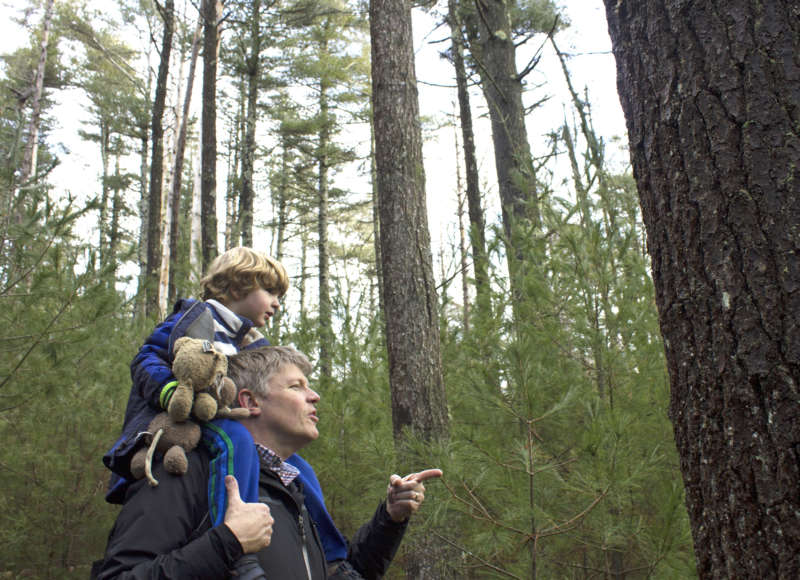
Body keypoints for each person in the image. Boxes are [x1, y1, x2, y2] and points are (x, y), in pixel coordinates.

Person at [96, 346, 442, 579]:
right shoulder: (187, 471)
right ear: (249, 400)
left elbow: (344, 573)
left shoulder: (295, 488)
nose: (314, 395)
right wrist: (227, 542)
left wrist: (390, 518)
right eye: (297, 386)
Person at [101, 246, 351, 566]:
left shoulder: (249, 341)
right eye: (271, 292)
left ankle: (332, 552)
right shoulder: (195, 318)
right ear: (236, 287)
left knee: (300, 468)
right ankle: (235, 533)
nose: (277, 303)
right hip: (181, 419)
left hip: (213, 414)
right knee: (238, 441)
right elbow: (146, 359)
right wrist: (170, 392)